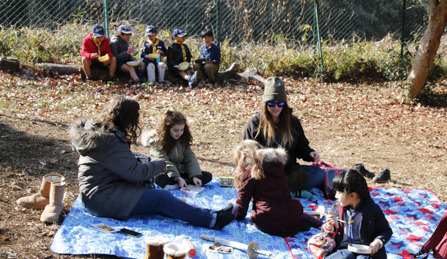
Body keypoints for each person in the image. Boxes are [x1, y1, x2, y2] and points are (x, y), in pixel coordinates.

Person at [70, 96, 234, 229]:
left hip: (101, 192)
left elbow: (118, 164)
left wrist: (145, 162)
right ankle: (212, 220)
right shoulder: (109, 141)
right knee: (162, 198)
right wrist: (159, 164)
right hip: (102, 199)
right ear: (127, 118)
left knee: (159, 198)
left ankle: (206, 214)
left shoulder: (103, 136)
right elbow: (135, 173)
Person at [303, 170, 401, 259]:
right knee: (346, 257)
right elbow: (328, 231)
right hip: (344, 252)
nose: (336, 196)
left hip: (366, 255)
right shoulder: (337, 207)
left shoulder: (372, 210)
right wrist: (328, 226)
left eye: (339, 192)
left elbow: (386, 231)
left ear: (352, 195)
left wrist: (377, 242)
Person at [243, 77, 325, 194]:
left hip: (289, 170)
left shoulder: (293, 122)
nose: (276, 107)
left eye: (280, 104)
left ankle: (277, 188)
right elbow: (247, 152)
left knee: (318, 174)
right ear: (265, 104)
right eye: (271, 103)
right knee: (251, 177)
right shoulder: (255, 123)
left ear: (285, 104)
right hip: (266, 171)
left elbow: (302, 146)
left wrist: (310, 154)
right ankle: (289, 189)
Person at [233, 140, 323, 237]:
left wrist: (238, 215)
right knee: (295, 212)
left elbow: (243, 199)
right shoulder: (277, 166)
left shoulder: (251, 171)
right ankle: (312, 225)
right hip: (290, 213)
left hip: (267, 219)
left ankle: (290, 227)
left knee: (265, 216)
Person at [145, 110, 213, 190]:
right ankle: (182, 182)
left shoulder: (183, 139)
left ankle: (177, 185)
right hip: (167, 173)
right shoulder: (157, 141)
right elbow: (162, 161)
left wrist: (195, 176)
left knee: (207, 176)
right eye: (175, 130)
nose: (179, 133)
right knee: (158, 178)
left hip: (182, 171)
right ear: (167, 129)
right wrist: (177, 177)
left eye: (182, 130)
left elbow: (190, 158)